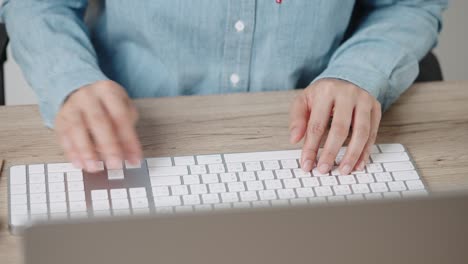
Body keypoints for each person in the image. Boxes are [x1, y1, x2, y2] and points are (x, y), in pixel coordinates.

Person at [1, 0, 447, 174]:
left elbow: (411, 4)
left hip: (311, 149)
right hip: (134, 143)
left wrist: (361, 70)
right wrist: (72, 80)